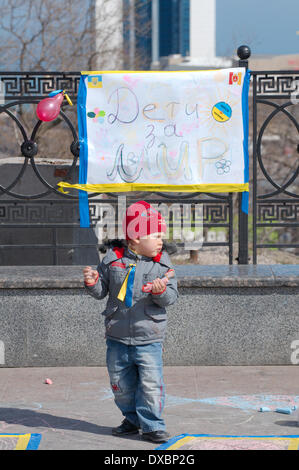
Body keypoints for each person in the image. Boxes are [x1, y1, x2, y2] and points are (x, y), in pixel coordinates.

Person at [83, 200, 178, 443]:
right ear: (135, 238)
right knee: (120, 385)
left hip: (149, 336)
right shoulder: (112, 260)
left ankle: (152, 424)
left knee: (150, 384)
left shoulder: (162, 264)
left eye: (161, 235)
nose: (160, 240)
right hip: (117, 336)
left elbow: (171, 297)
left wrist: (159, 292)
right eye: (155, 235)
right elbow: (102, 292)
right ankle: (131, 418)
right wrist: (93, 282)